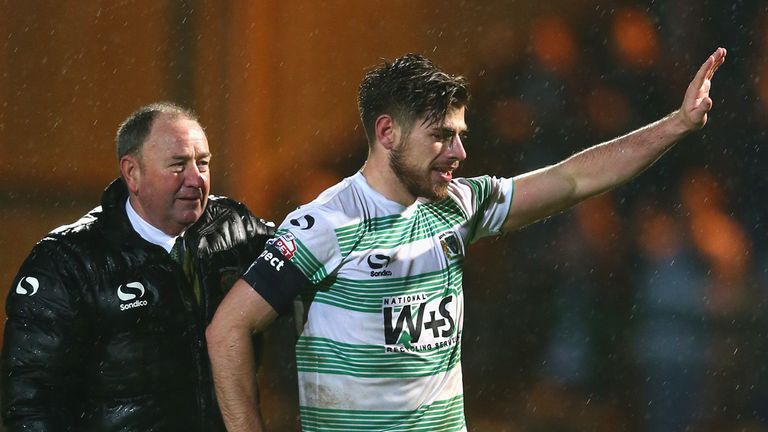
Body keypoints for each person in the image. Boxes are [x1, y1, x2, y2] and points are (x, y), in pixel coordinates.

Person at [207, 48, 726, 431]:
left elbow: (573, 179)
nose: (458, 152)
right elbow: (228, 329)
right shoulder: (328, 223)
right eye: (440, 136)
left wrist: (676, 125)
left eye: (460, 134)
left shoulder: (457, 205)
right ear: (387, 133)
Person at [1, 102, 275, 431]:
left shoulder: (238, 231)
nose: (195, 179)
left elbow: (309, 264)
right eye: (178, 165)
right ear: (132, 173)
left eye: (203, 163)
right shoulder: (66, 262)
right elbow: (31, 400)